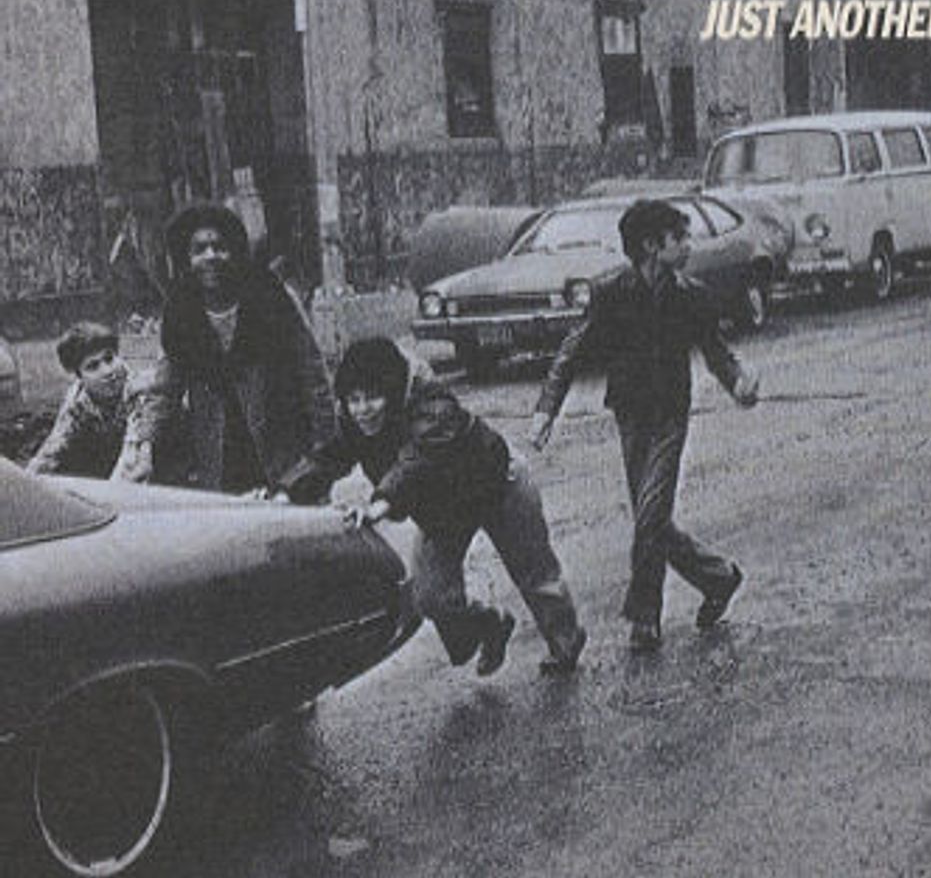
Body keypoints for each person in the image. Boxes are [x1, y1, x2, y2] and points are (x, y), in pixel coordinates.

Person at [280, 337, 587, 677]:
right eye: (354, 399)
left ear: (392, 391)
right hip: (444, 508)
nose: (363, 410)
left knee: (535, 573)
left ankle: (566, 642)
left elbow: (416, 461)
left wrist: (380, 503)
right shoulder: (353, 420)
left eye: (373, 397)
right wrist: (285, 490)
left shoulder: (432, 402)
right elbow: (329, 456)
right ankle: (490, 624)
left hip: (497, 484)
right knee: (430, 596)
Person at [530, 198, 759, 652]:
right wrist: (545, 410)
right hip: (631, 415)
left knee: (651, 515)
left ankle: (644, 618)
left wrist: (738, 382)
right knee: (651, 520)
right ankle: (718, 578)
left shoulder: (690, 294)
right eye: (680, 238)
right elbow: (572, 352)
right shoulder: (610, 291)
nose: (688, 245)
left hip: (671, 414)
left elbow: (715, 351)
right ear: (652, 246)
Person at [145, 202, 335, 492]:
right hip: (219, 451)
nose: (210, 256)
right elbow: (164, 389)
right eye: (199, 250)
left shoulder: (270, 295)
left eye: (219, 247)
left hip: (281, 443)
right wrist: (142, 443)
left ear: (234, 250)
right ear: (186, 258)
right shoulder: (181, 312)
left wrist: (324, 446)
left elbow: (311, 369)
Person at [26, 321, 151, 479]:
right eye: (93, 366)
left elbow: (133, 459)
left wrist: (110, 491)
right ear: (79, 377)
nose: (107, 371)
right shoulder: (78, 399)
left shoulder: (140, 389)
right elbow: (51, 452)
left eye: (109, 359)